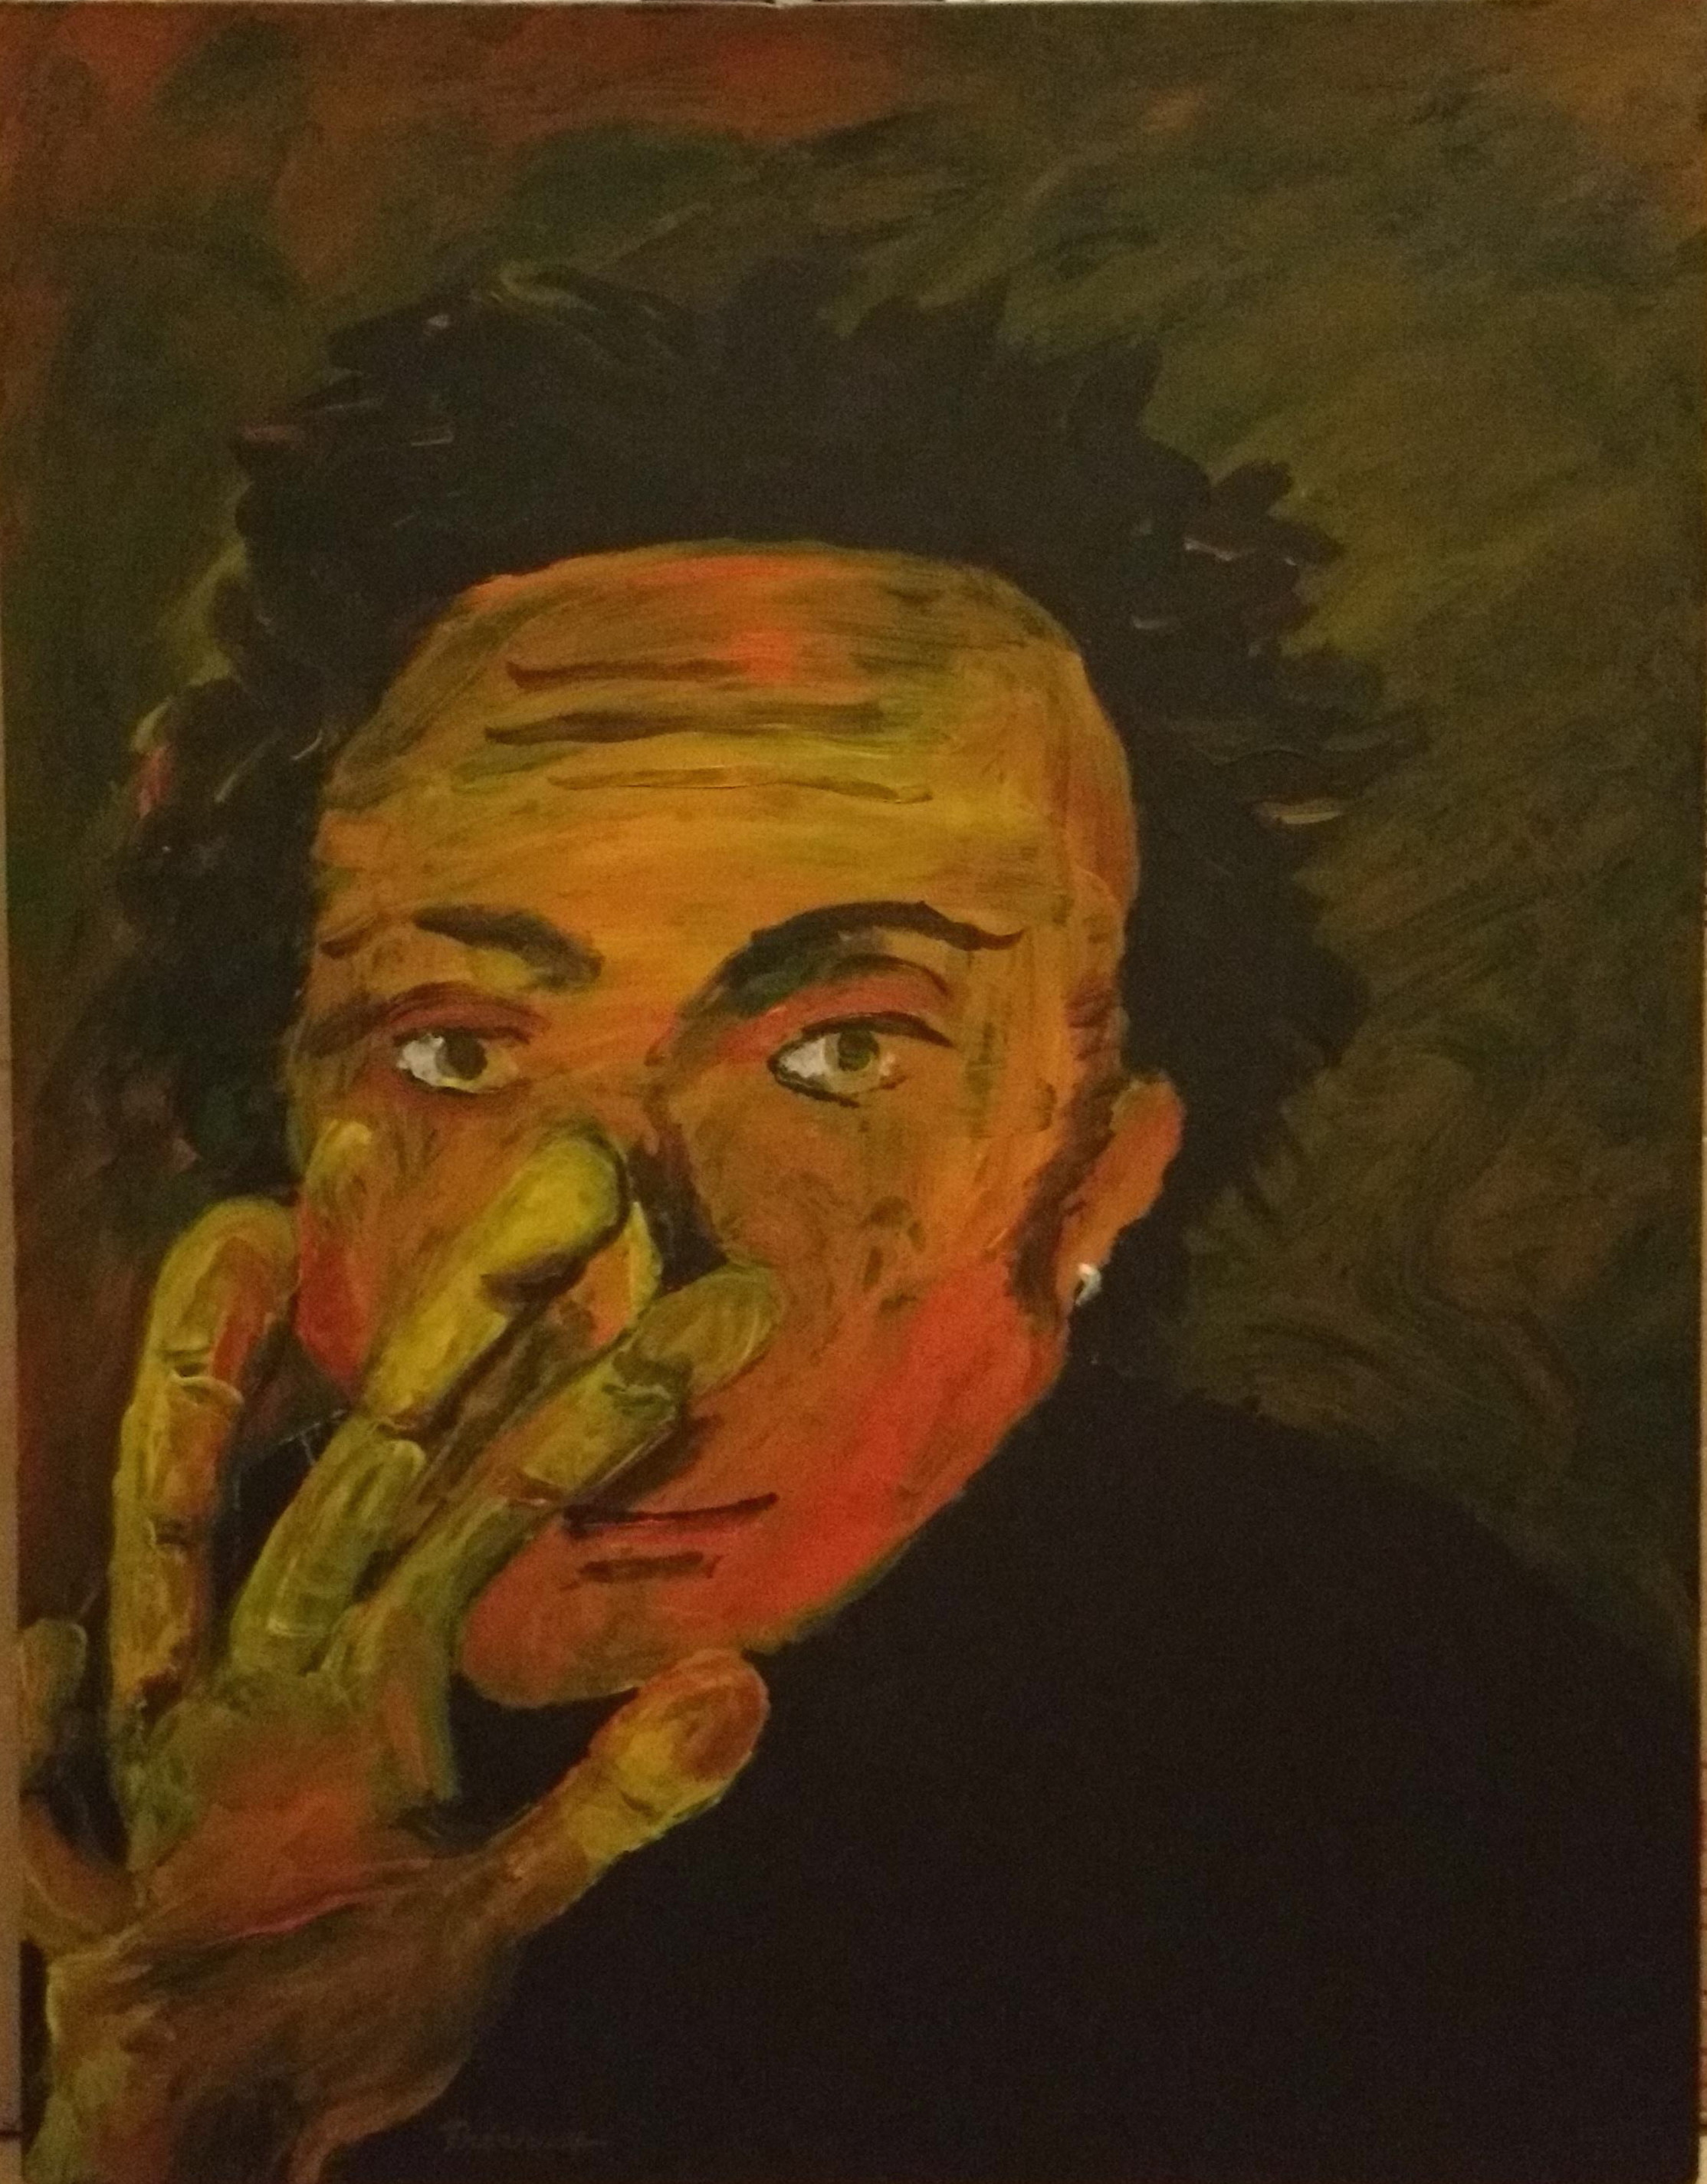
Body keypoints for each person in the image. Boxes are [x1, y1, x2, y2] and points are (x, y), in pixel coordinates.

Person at [20, 264, 1695, 2184]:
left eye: (838, 1055)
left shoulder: (1448, 1778)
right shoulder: (101, 1767)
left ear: (1101, 1171)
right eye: (457, 1052)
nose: (615, 1275)